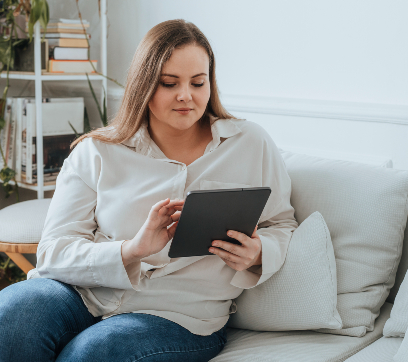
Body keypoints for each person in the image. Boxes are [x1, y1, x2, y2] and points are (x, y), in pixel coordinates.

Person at [0, 19, 298, 362]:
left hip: (179, 315)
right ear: (144, 85)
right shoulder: (97, 151)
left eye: (198, 82)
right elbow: (53, 251)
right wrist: (130, 250)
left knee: (95, 352)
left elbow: (281, 224)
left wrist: (258, 254)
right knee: (12, 313)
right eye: (169, 83)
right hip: (85, 294)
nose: (186, 95)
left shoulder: (250, 143)